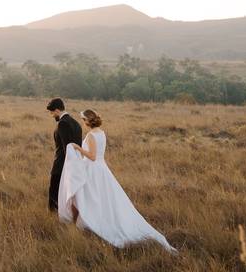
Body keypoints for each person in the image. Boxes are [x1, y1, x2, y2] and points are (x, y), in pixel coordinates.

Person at [57, 109, 177, 253]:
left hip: (93, 170)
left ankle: (87, 223)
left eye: (83, 120)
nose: (82, 123)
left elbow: (92, 156)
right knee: (99, 198)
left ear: (87, 121)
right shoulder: (101, 133)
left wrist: (77, 147)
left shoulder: (90, 136)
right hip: (101, 169)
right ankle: (84, 223)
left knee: (86, 197)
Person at [46, 97, 83, 212]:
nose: (51, 115)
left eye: (52, 112)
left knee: (54, 191)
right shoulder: (76, 123)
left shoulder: (63, 123)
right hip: (74, 162)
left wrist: (68, 167)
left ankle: (54, 215)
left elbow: (68, 148)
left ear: (57, 110)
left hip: (62, 164)